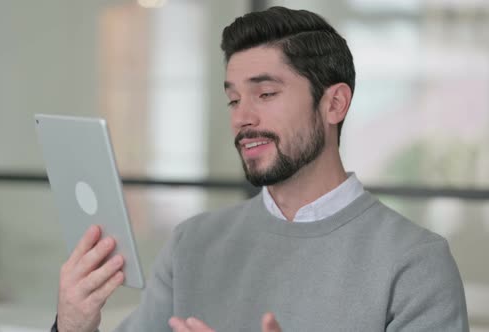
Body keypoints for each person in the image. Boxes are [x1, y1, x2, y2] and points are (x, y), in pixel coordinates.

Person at [53, 7, 469, 332]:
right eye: (234, 99)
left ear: (334, 104)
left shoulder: (415, 263)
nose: (242, 118)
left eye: (266, 93)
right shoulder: (192, 244)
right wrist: (73, 325)